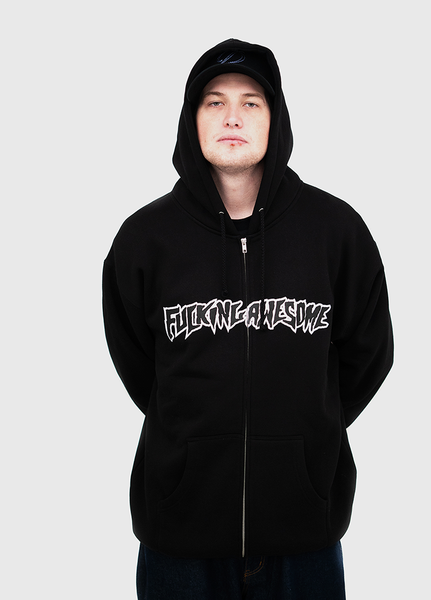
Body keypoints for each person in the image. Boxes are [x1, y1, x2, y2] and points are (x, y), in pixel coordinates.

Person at [102, 38, 394, 599]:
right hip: (179, 536)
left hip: (304, 535)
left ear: (275, 119)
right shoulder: (144, 240)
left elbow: (369, 354)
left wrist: (306, 438)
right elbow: (138, 363)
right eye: (214, 102)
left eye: (250, 102)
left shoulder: (335, 231)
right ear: (191, 120)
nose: (232, 117)